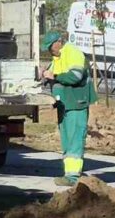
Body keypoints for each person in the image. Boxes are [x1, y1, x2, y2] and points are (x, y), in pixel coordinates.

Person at [41, 31, 97, 187]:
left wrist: (55, 76)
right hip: (64, 105)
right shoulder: (57, 58)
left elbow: (75, 76)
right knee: (67, 140)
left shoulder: (73, 53)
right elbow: (52, 75)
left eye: (50, 47)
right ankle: (69, 173)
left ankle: (72, 177)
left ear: (59, 42)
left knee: (75, 140)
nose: (49, 50)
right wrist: (45, 76)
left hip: (76, 103)